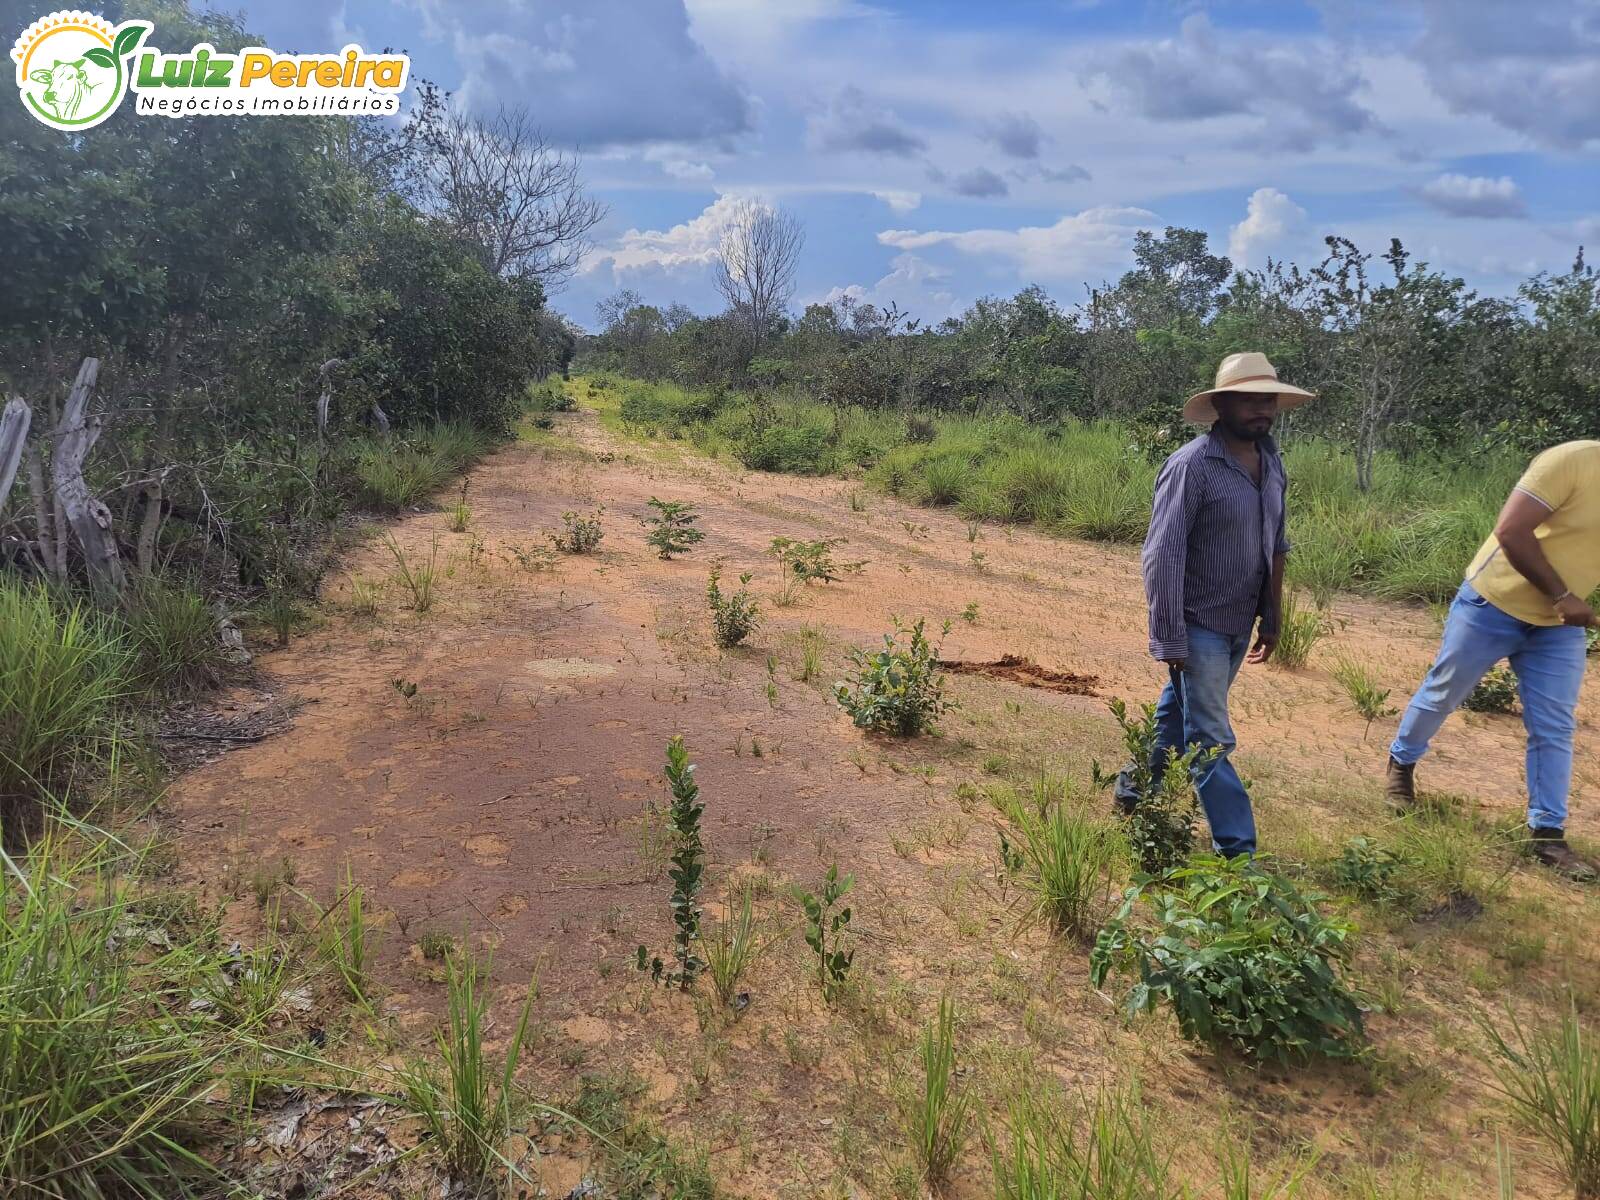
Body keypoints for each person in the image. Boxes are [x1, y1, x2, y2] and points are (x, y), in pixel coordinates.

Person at [1386, 440, 1600, 880]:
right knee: (1446, 691)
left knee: (1555, 725)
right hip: (1494, 603)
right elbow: (1511, 531)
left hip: (1558, 625)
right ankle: (1401, 764)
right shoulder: (1572, 462)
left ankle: (1547, 834)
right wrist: (1563, 596)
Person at [1133, 351, 1314, 858]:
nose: (1262, 410)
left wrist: (1273, 618)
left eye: (1268, 400)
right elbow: (1162, 553)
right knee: (1210, 736)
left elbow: (1276, 546)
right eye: (1250, 400)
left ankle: (1134, 792)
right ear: (1222, 406)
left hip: (1239, 621)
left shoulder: (1272, 465)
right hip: (1199, 624)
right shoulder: (1192, 466)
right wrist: (1169, 633)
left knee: (1177, 716)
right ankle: (1239, 851)